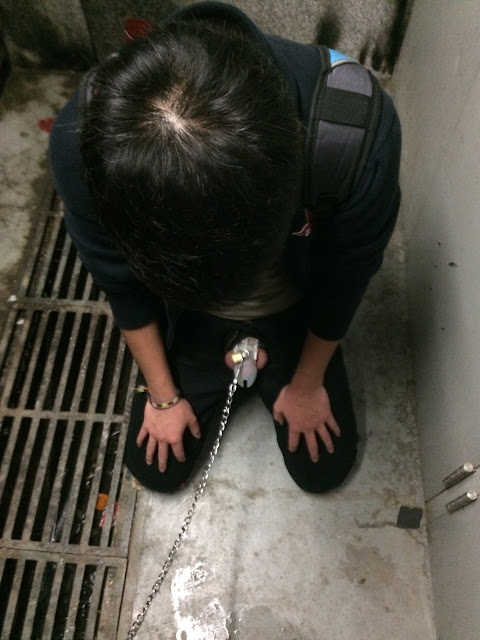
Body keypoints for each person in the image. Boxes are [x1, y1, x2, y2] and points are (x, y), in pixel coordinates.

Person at [49, 2, 401, 494]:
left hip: (296, 301)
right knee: (155, 469)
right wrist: (164, 397)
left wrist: (306, 383)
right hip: (192, 314)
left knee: (323, 468)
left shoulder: (353, 135)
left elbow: (346, 276)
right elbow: (118, 280)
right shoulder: (84, 141)